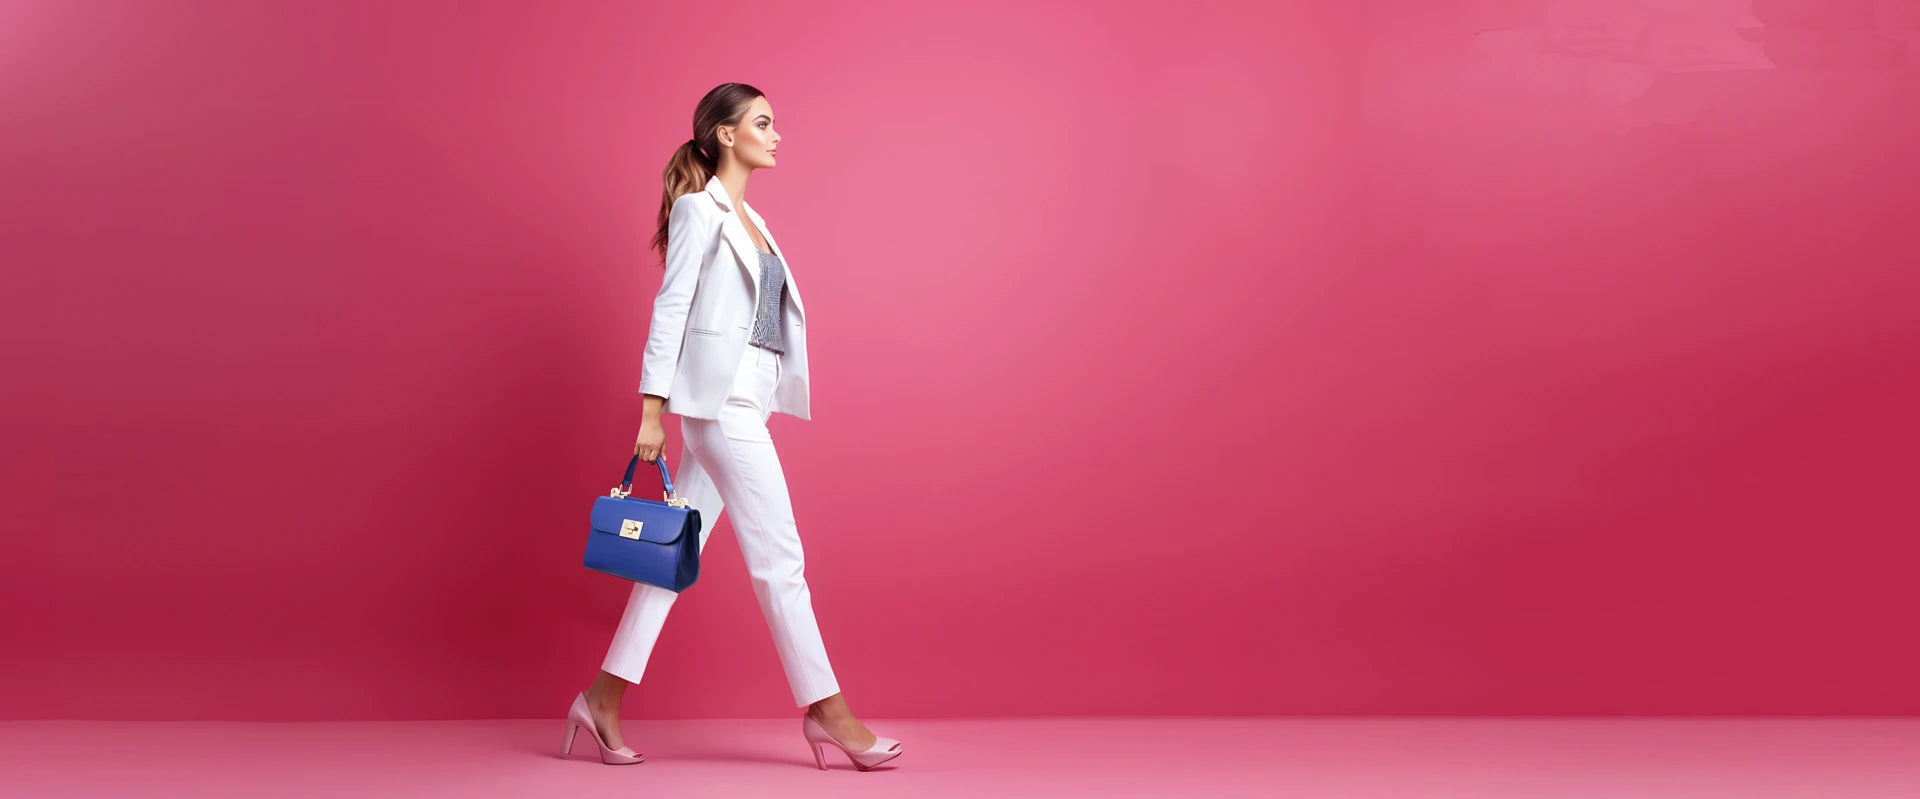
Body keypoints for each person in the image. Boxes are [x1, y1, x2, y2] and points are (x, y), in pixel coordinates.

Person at [560, 83, 903, 772]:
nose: (777, 136)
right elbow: (671, 307)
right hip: (718, 405)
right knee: (782, 558)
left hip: (749, 397)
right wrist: (652, 409)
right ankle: (825, 707)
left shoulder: (756, 221)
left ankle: (601, 697)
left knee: (669, 561)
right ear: (723, 134)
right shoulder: (698, 211)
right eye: (763, 123)